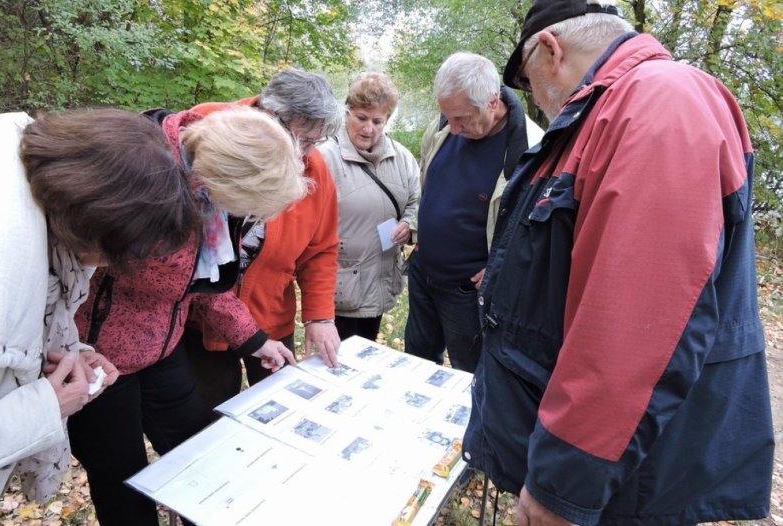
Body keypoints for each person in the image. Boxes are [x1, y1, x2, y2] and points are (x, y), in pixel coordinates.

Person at [462, 1, 774, 524]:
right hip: (594, 465)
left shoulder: (661, 101)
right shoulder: (600, 117)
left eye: (530, 85)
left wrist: (564, 482)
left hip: (621, 483)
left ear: (550, 50)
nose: (538, 104)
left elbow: (638, 327)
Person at [69, 106, 304, 526]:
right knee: (121, 477)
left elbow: (202, 286)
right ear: (227, 179)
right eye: (248, 206)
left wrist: (257, 341)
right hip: (97, 359)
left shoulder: (205, 199)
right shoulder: (143, 187)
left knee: (199, 451)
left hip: (162, 348)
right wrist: (65, 350)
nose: (247, 217)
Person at [0, 108, 200, 504]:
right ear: (92, 224)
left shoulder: (42, 229)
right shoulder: (5, 282)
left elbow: (33, 331)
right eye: (119, 253)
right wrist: (45, 405)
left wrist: (74, 353)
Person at [185, 68, 341, 410]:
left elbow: (321, 250)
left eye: (317, 142)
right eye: (303, 140)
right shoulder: (208, 126)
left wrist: (320, 316)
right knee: (209, 415)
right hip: (202, 320)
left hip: (270, 314)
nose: (307, 154)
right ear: (272, 116)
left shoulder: (315, 168)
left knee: (278, 409)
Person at [404, 52, 544, 373]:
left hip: (467, 293)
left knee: (470, 375)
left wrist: (503, 267)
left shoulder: (531, 148)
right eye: (447, 117)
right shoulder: (445, 124)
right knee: (415, 364)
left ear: (493, 103)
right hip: (424, 273)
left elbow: (540, 229)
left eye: (462, 119)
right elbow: (429, 186)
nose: (452, 129)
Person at [318, 72, 420, 341]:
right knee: (337, 364)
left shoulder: (402, 158)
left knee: (366, 355)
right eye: (361, 118)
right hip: (339, 286)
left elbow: (416, 202)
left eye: (378, 121)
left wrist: (409, 224)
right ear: (347, 112)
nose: (369, 128)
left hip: (381, 280)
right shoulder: (324, 158)